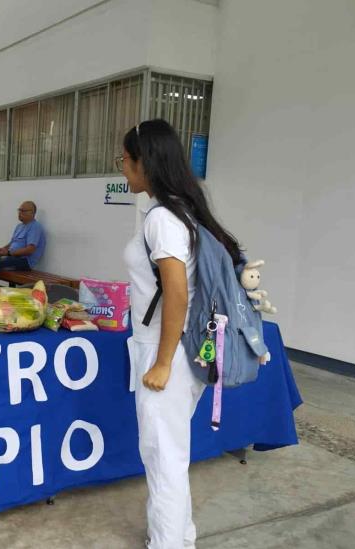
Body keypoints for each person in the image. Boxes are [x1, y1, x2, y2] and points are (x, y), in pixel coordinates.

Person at [120, 119, 243, 549]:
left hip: (166, 351)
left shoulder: (162, 219)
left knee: (163, 460)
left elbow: (176, 292)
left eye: (126, 158)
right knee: (170, 454)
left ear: (144, 163)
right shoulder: (181, 211)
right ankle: (180, 536)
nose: (122, 165)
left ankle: (169, 544)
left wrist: (162, 363)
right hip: (176, 347)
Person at [0, 201, 46, 272]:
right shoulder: (19, 226)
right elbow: (11, 243)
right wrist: (1, 250)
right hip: (12, 257)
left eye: (23, 211)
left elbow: (30, 250)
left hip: (24, 261)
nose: (20, 213)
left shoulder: (35, 227)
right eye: (19, 210)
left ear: (32, 213)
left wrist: (8, 253)